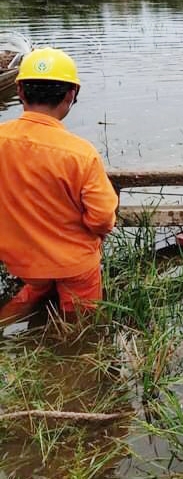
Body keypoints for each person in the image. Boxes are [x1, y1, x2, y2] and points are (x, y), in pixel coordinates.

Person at [0, 48, 117, 327]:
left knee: (37, 286)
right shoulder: (80, 154)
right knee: (81, 326)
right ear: (71, 94)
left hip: (21, 261)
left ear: (20, 91)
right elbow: (102, 219)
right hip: (74, 265)